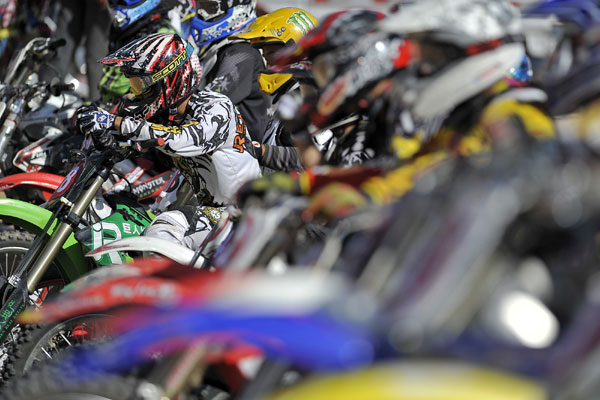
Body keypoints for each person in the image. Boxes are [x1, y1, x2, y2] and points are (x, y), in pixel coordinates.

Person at [78, 33, 261, 249]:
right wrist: (101, 132)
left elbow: (179, 139)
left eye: (140, 84)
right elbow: (142, 135)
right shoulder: (168, 113)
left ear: (169, 79)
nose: (136, 93)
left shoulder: (216, 107)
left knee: (158, 236)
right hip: (207, 209)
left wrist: (116, 122)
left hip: (242, 214)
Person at [191, 0, 270, 143]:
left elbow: (207, 102)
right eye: (201, 8)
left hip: (248, 156)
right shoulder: (220, 49)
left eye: (209, 8)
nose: (201, 15)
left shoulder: (242, 53)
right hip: (223, 149)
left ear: (238, 10)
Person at [99, 0, 196, 105]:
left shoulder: (161, 35)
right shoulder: (128, 31)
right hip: (111, 104)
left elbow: (159, 95)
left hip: (138, 111)